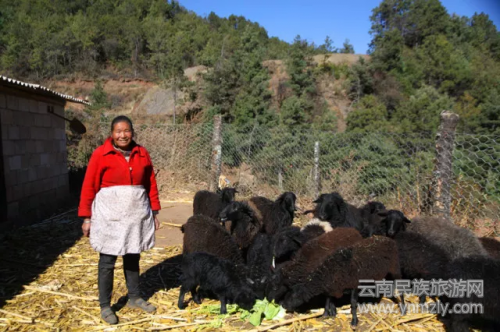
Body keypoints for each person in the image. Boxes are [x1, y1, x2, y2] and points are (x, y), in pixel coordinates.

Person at [78, 115, 161, 325]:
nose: (122, 135)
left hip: (136, 215)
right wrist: (87, 217)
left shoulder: (142, 153)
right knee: (107, 261)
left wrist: (155, 212)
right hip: (109, 216)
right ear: (111, 133)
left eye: (126, 131)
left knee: (133, 256)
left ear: (132, 132)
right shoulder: (100, 154)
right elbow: (89, 186)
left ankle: (134, 297)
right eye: (118, 131)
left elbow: (150, 183)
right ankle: (105, 306)